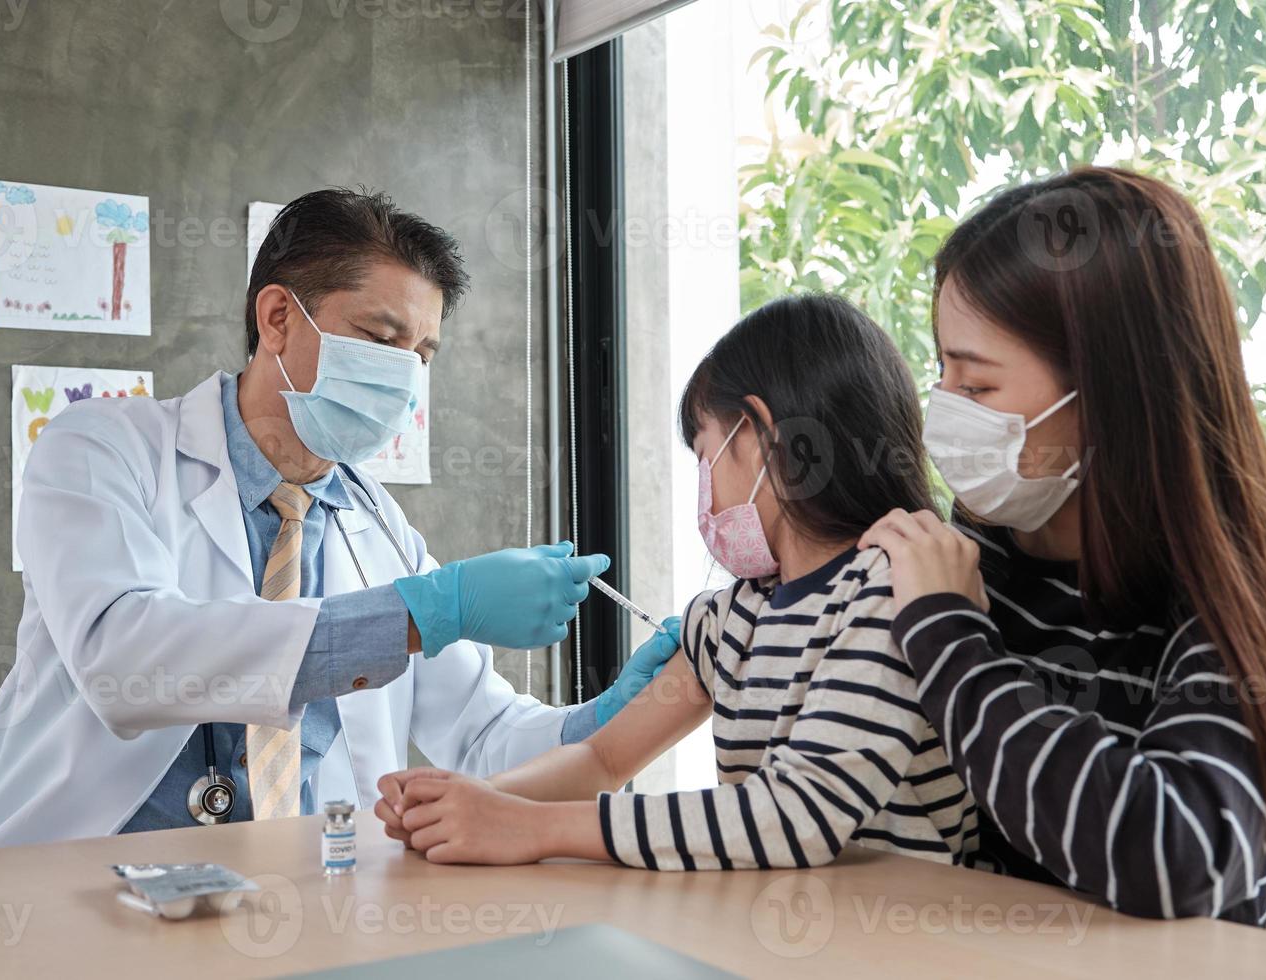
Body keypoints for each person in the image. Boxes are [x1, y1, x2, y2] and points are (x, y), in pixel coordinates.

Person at [0, 189, 678, 849]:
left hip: (300, 893)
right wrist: (424, 613)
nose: (406, 374)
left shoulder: (377, 525)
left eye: (422, 353)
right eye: (381, 337)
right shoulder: (101, 450)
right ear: (277, 319)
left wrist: (618, 713)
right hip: (77, 883)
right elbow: (122, 661)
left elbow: (486, 736)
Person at [856, 167, 1266, 924]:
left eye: (977, 388)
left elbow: (1176, 857)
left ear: (1108, 396)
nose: (944, 408)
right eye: (941, 370)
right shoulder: (981, 545)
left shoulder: (1232, 604)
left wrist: (951, 640)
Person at [374, 294, 977, 869]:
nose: (703, 487)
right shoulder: (727, 620)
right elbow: (600, 758)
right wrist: (467, 804)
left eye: (703, 453)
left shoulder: (893, 591)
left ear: (760, 433)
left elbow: (800, 815)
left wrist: (529, 827)